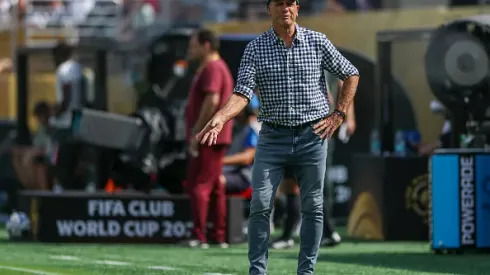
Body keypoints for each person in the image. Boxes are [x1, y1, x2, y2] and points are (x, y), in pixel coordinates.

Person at [196, 0, 360, 273]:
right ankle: (257, 271)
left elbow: (351, 73)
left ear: (297, 8)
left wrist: (339, 114)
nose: (285, 8)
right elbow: (242, 93)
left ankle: (305, 272)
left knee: (314, 206)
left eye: (290, 3)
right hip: (273, 136)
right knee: (260, 203)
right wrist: (221, 117)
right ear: (268, 9)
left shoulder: (317, 41)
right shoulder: (255, 48)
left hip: (312, 135)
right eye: (279, 3)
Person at [184, 28, 234, 249]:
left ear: (206, 45)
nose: (190, 50)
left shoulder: (213, 68)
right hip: (216, 135)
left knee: (199, 185)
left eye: (194, 45)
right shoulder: (215, 67)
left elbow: (212, 100)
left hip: (210, 136)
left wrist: (198, 131)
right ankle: (218, 235)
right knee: (214, 187)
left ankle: (199, 235)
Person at [221, 96, 260, 194]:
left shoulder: (254, 129)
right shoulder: (239, 128)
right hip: (231, 172)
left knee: (215, 180)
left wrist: (219, 161)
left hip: (245, 177)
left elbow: (247, 157)